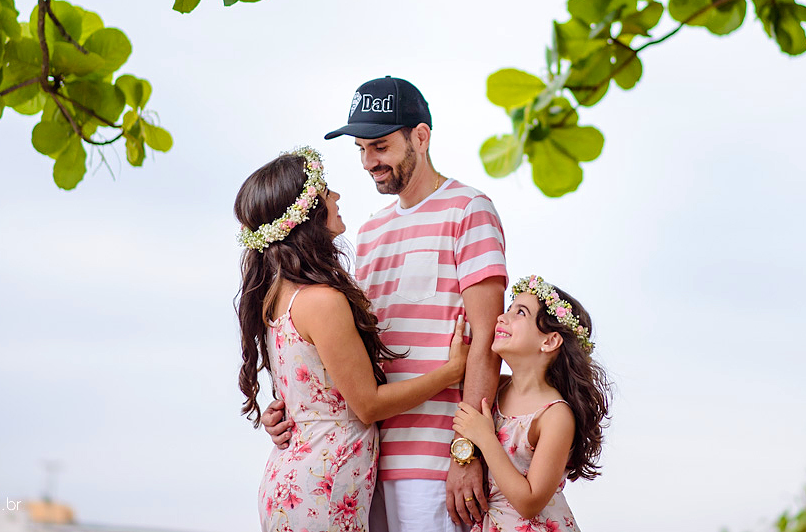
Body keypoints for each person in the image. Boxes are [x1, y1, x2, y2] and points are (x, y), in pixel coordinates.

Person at [262, 76, 509, 531]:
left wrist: (468, 451)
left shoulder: (469, 210)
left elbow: (489, 341)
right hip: (363, 462)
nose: (368, 162)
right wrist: (287, 407)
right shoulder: (370, 232)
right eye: (360, 149)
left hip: (434, 463)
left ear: (421, 136)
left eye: (379, 146)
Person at [234, 146, 469, 532]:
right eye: (326, 191)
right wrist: (452, 371)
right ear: (307, 213)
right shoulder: (322, 302)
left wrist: (283, 412)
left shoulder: (277, 298)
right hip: (324, 486)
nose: (337, 197)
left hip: (296, 479)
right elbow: (368, 405)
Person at [452, 275, 610, 532]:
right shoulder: (496, 389)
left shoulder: (555, 415)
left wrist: (484, 438)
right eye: (509, 309)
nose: (502, 317)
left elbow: (530, 502)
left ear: (549, 341)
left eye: (520, 313)